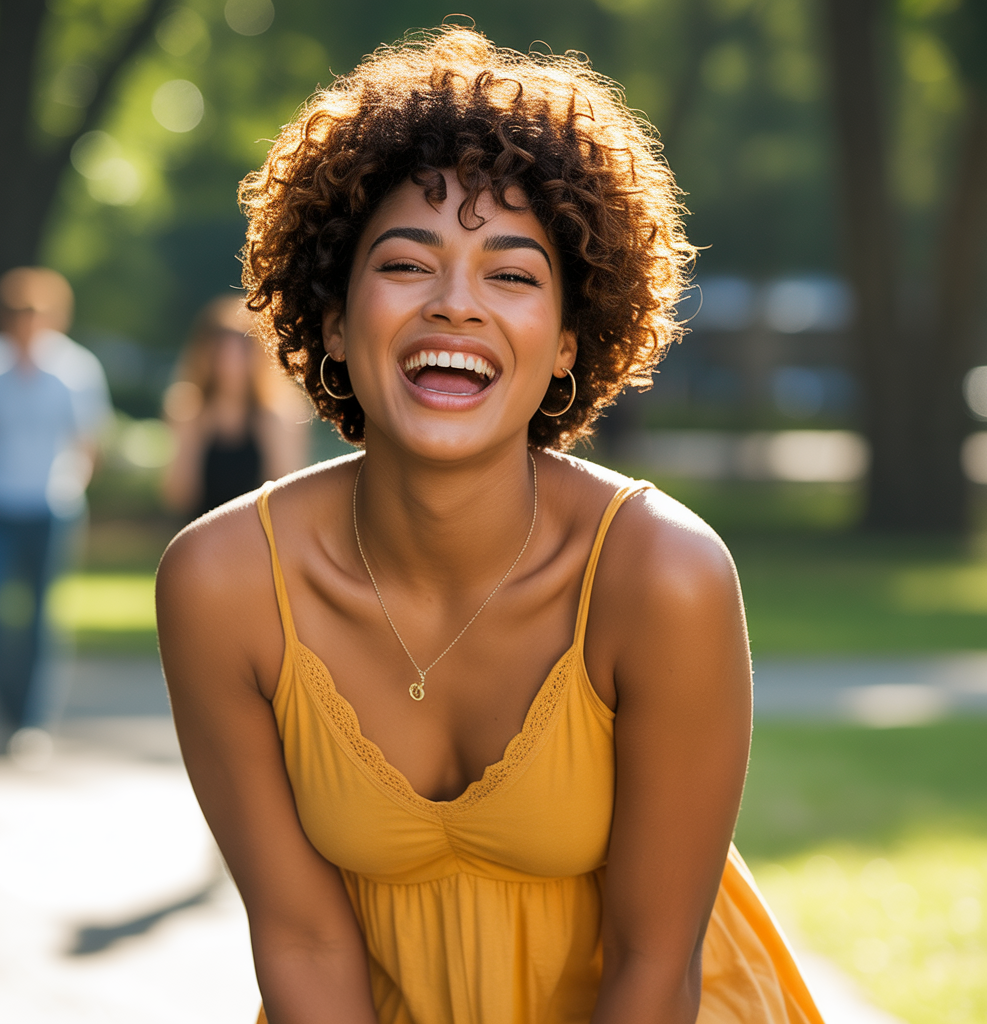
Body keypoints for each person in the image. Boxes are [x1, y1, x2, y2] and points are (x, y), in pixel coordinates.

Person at [156, 27, 824, 1024]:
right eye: (405, 264)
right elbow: (299, 943)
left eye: (510, 274)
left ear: (566, 345)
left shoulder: (662, 577)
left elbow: (653, 961)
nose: (455, 306)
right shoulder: (222, 583)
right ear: (334, 321)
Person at [0, 267, 111, 751]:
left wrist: (73, 486)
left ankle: (30, 721)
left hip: (51, 507)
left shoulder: (75, 370)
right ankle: (0, 713)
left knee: (41, 619)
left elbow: (88, 441)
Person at [161, 294, 309, 520]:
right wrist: (193, 437)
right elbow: (178, 498)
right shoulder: (188, 410)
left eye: (240, 349)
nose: (229, 360)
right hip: (200, 535)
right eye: (221, 349)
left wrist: (270, 433)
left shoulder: (280, 415)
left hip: (258, 539)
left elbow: (288, 500)